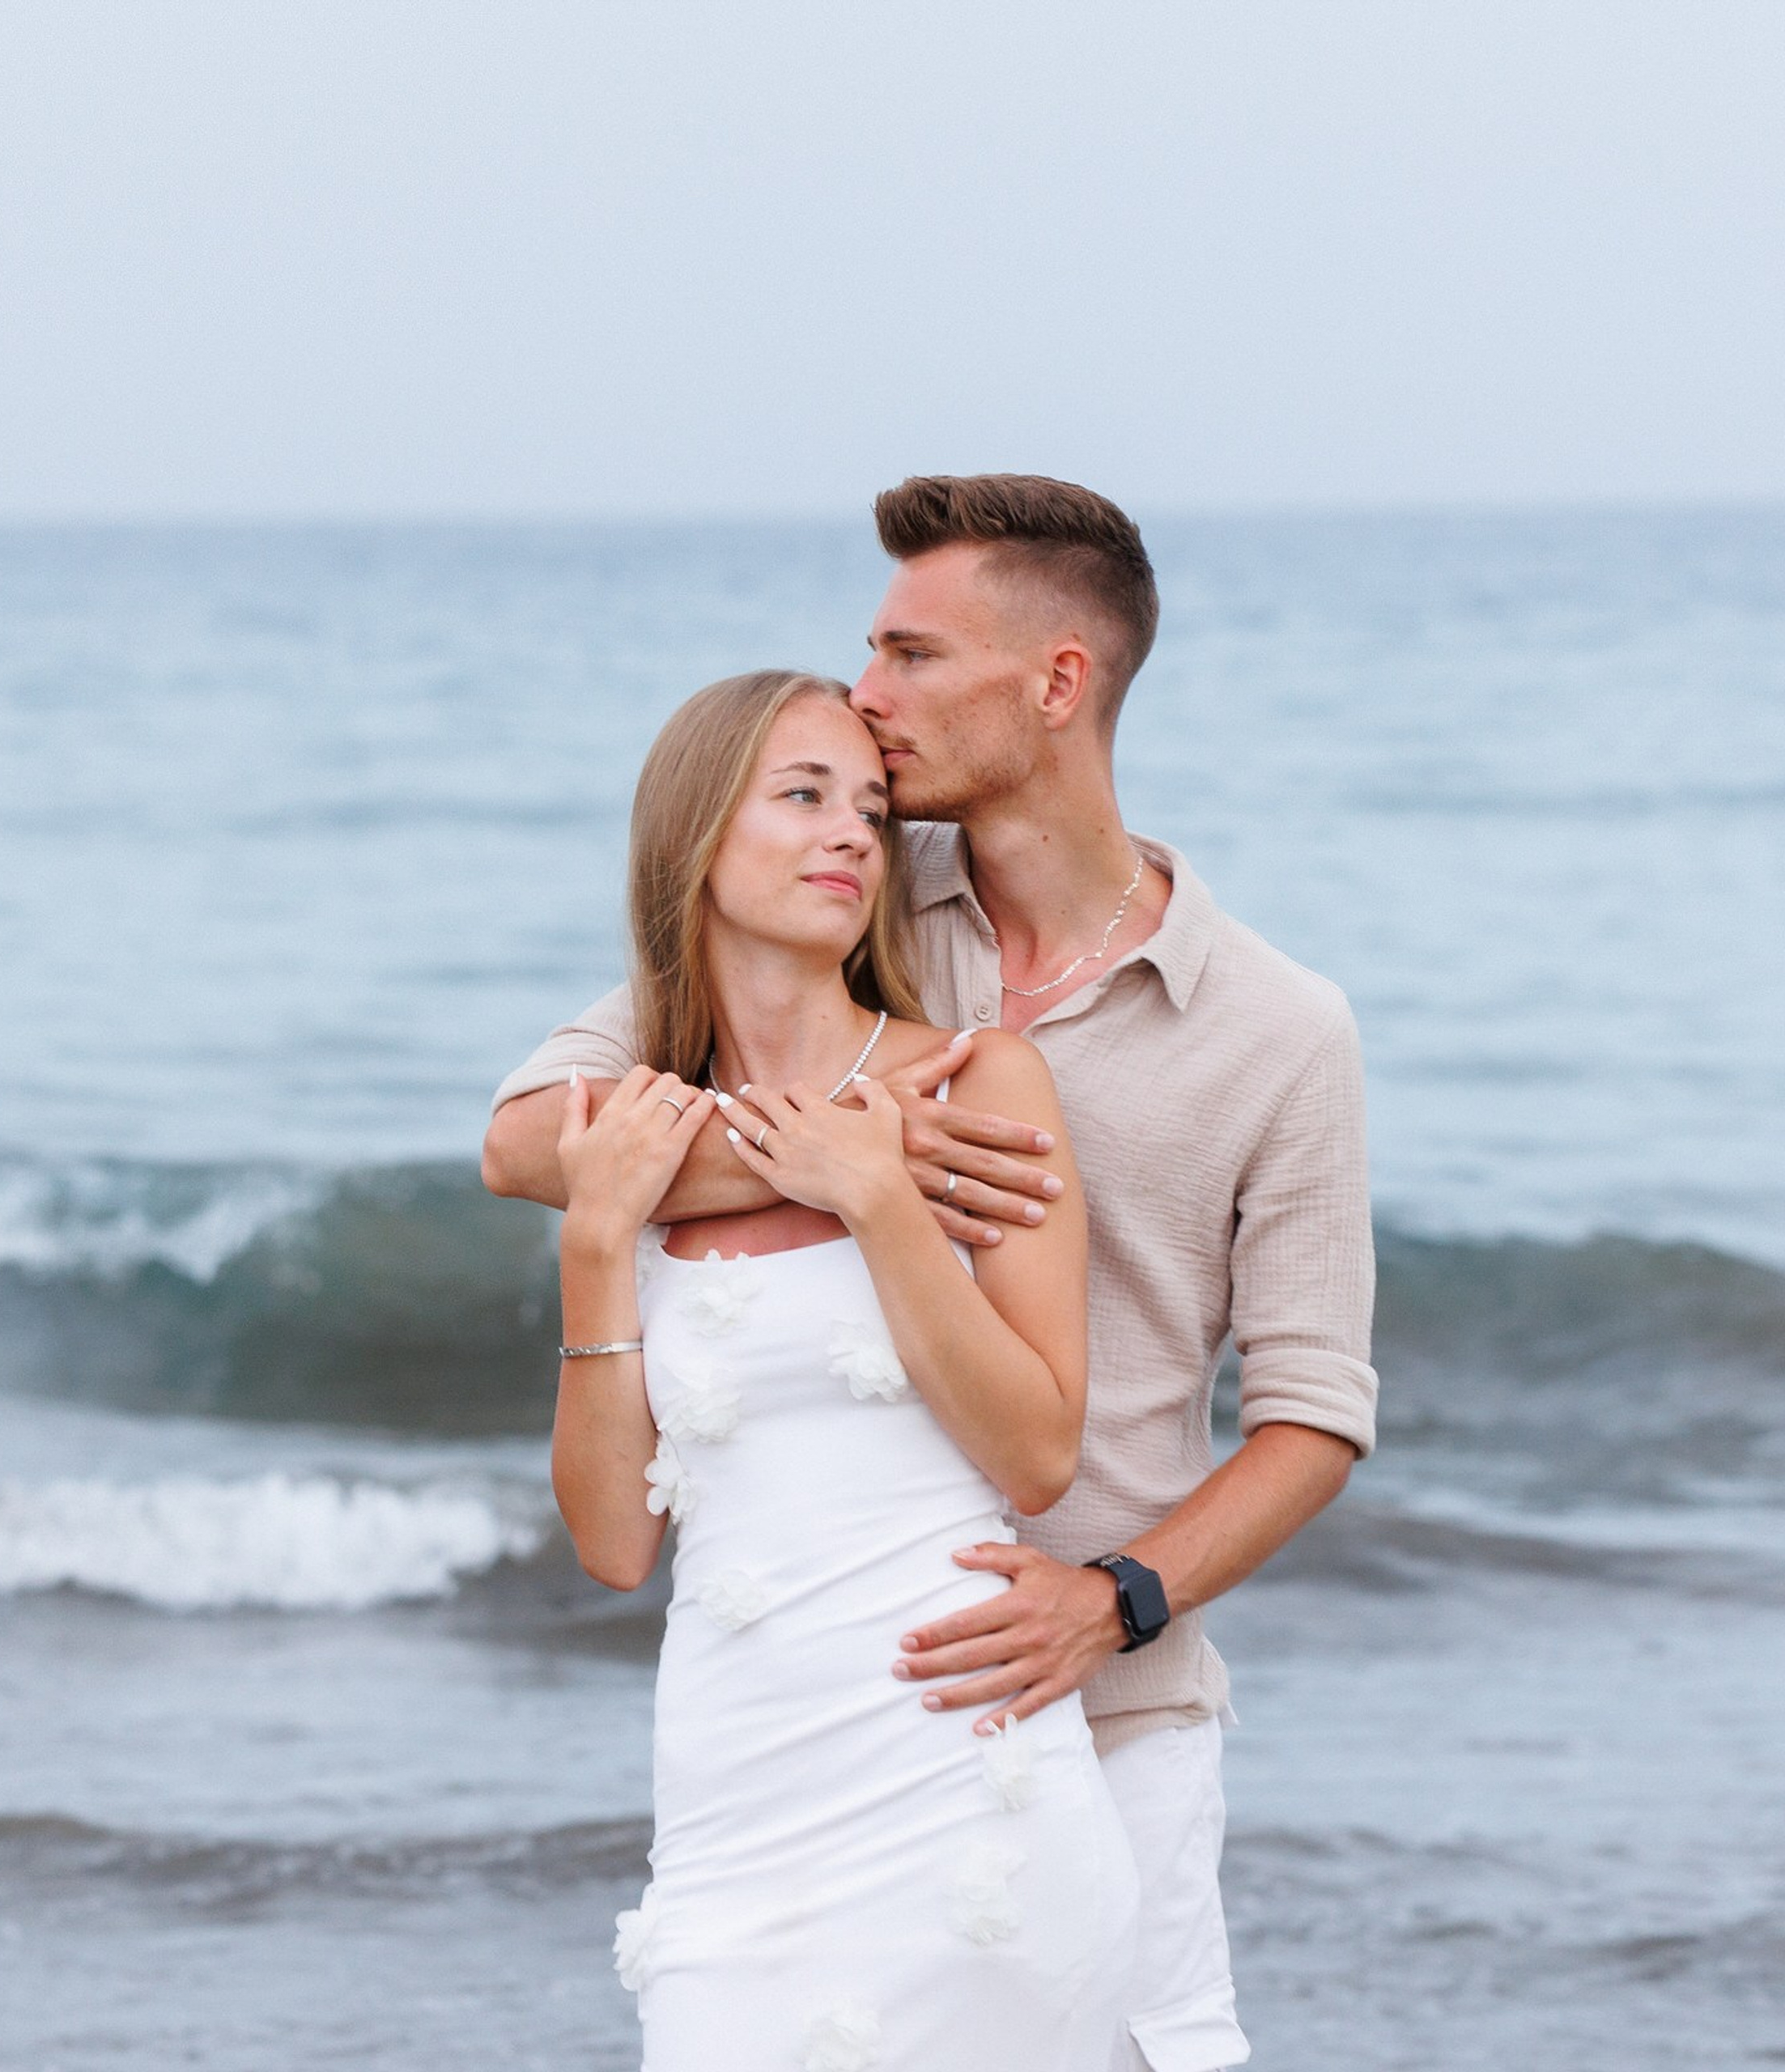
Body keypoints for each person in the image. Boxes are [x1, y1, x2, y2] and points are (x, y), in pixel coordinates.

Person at [483, 474, 1379, 2072]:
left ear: (1053, 683)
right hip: (793, 1724)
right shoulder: (849, 898)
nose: (870, 705)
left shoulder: (1273, 1025)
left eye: (907, 655)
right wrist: (827, 1141)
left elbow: (1310, 1416)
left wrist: (1112, 1601)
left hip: (1107, 1694)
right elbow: (523, 1142)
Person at [546, 667, 1139, 2067]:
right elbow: (616, 1541)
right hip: (737, 1787)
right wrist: (594, 1240)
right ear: (694, 835)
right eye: (805, 797)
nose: (854, 836)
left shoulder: (973, 1086)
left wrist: (875, 1198)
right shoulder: (636, 1132)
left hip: (953, 1764)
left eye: (870, 808)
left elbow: (1038, 1451)